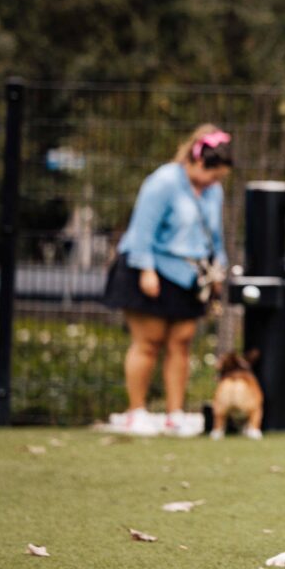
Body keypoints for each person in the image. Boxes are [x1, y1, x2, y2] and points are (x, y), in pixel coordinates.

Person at [103, 125, 233, 435]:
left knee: (181, 343)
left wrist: (219, 269)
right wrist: (146, 269)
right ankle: (137, 412)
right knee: (148, 343)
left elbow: (215, 235)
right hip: (150, 270)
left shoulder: (213, 191)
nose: (216, 182)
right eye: (214, 175)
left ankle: (175, 414)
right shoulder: (163, 182)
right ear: (199, 161)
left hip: (189, 277)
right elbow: (141, 230)